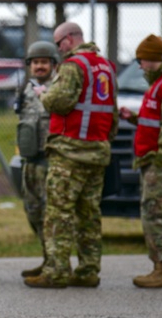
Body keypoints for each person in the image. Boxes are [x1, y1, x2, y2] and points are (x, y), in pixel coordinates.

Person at [25, 22, 117, 289]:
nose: (58, 49)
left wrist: (44, 95)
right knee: (89, 213)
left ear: (68, 40)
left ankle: (56, 271)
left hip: (70, 152)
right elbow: (111, 112)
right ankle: (89, 270)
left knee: (58, 213)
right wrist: (103, 143)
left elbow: (61, 102)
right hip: (97, 151)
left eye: (57, 43)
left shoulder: (73, 66)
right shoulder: (106, 67)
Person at [119, 34, 162, 288]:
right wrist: (133, 117)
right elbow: (155, 120)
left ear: (152, 59)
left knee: (156, 213)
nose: (139, 66)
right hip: (153, 159)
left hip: (158, 161)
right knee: (159, 211)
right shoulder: (159, 84)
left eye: (142, 60)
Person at [15, 40, 61, 277]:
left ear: (53, 64)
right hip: (29, 160)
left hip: (49, 159)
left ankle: (55, 262)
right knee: (32, 210)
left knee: (49, 213)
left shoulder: (58, 89)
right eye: (35, 63)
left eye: (44, 62)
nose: (39, 67)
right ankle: (46, 258)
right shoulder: (26, 88)